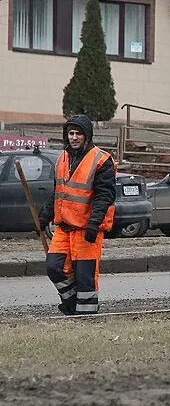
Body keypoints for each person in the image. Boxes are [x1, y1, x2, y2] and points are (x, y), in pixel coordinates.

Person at [38, 115, 116, 315]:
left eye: (78, 133)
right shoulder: (62, 159)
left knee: (85, 276)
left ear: (87, 136)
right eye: (71, 133)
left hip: (87, 229)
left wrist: (94, 224)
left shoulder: (101, 160)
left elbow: (105, 196)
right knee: (54, 268)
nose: (74, 137)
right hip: (64, 227)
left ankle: (86, 316)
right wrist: (44, 216)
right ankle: (73, 304)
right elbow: (59, 192)